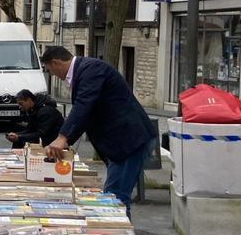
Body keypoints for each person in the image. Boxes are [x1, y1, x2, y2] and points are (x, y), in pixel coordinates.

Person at [40, 46, 157, 215]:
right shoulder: (84, 71)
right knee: (114, 197)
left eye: (50, 71)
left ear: (56, 63)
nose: (53, 76)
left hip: (128, 142)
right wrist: (64, 142)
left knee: (115, 199)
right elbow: (85, 115)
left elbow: (84, 105)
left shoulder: (91, 69)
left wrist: (62, 137)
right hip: (121, 144)